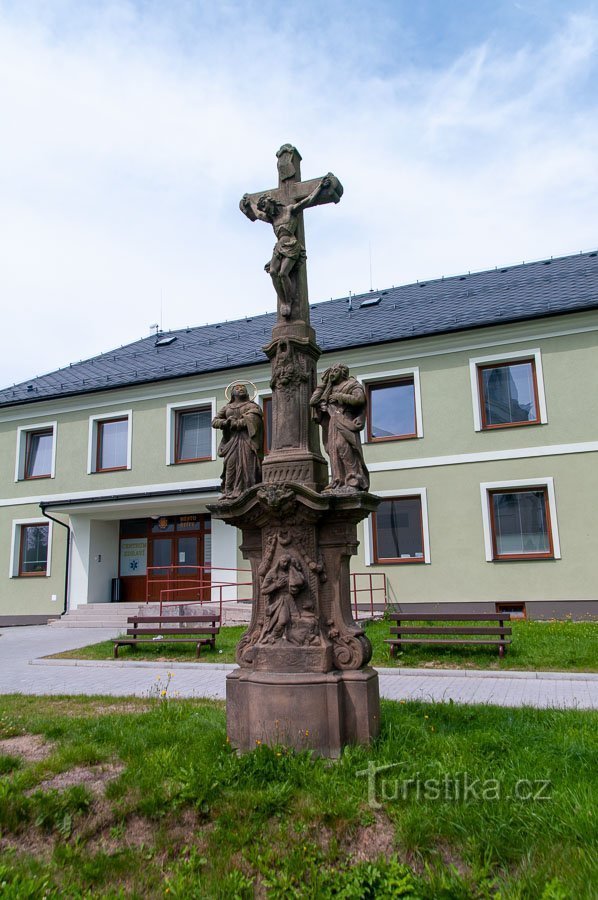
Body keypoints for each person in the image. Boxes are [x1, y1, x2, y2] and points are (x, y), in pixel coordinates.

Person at [240, 175, 331, 318]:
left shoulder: (289, 210)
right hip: (279, 247)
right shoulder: (272, 218)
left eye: (265, 206)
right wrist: (250, 201)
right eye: (263, 208)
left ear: (271, 202)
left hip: (291, 245)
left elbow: (308, 200)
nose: (265, 210)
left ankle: (288, 301)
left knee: (283, 273)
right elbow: (257, 214)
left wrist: (320, 186)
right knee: (272, 272)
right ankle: (284, 300)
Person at [310, 364, 370, 493]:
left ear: (343, 372)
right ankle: (338, 480)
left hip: (346, 419)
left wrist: (340, 397)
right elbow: (313, 401)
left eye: (335, 371)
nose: (332, 373)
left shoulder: (352, 384)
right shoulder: (329, 388)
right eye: (331, 371)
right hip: (333, 421)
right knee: (333, 450)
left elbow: (359, 399)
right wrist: (325, 383)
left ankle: (353, 479)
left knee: (343, 445)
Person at [212, 384, 263, 498]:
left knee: (248, 465)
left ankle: (248, 491)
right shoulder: (227, 407)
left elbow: (255, 419)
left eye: (243, 388)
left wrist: (238, 423)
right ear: (232, 393)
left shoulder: (252, 405)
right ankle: (228, 491)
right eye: (237, 388)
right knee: (230, 465)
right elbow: (215, 421)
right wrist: (225, 423)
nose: (241, 389)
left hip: (247, 441)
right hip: (232, 441)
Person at [260, 553, 306, 643]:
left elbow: (301, 583)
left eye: (287, 562)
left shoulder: (290, 571)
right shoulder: (272, 573)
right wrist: (275, 585)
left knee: (295, 619)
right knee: (283, 620)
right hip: (279, 599)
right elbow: (263, 590)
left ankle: (290, 637)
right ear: (279, 561)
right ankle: (272, 636)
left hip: (289, 599)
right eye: (283, 561)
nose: (285, 564)